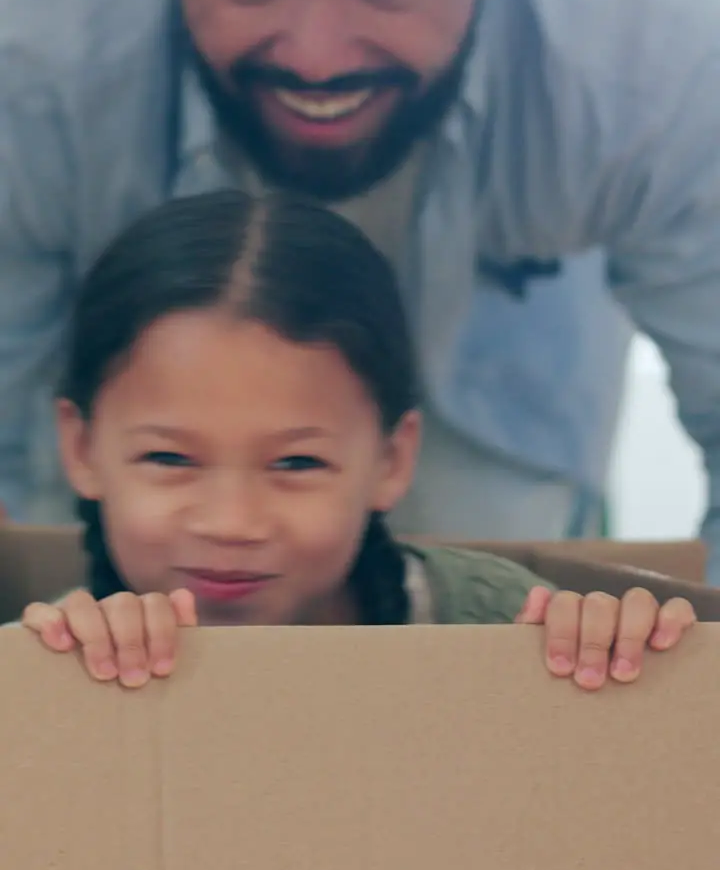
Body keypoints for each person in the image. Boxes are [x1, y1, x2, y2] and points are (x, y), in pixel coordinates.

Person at [3, 0, 720, 573]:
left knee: (485, 612)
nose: (317, 54)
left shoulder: (649, 58)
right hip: (121, 510)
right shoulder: (29, 54)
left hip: (493, 450)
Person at [21, 191, 694, 687]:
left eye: (296, 461)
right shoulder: (48, 660)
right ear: (82, 451)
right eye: (169, 457)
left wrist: (623, 656)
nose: (231, 522)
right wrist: (65, 691)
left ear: (390, 459)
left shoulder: (509, 628)